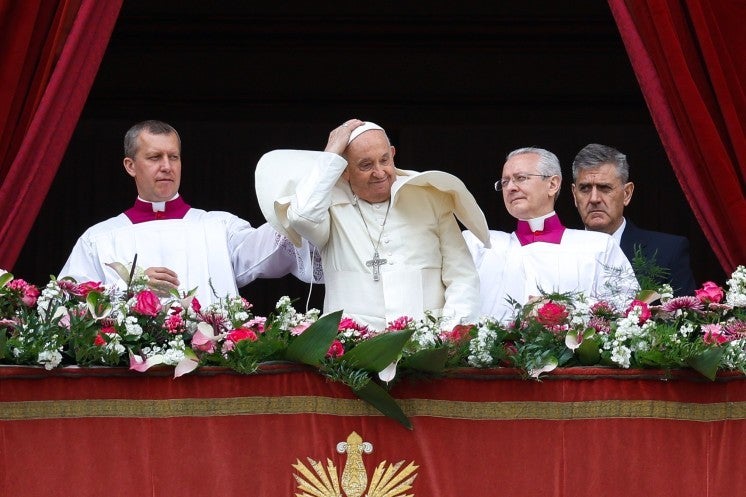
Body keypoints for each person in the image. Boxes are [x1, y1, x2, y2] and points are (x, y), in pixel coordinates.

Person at [255, 119, 490, 330]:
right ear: (345, 171)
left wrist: (451, 331)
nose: (379, 172)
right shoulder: (329, 207)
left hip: (425, 347)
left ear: (393, 154)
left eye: (384, 160)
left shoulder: (430, 198)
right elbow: (301, 217)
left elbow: (461, 275)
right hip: (354, 356)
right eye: (366, 165)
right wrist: (330, 154)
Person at [60, 120, 320, 305]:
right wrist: (129, 286)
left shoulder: (219, 227)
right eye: (154, 157)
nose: (166, 166)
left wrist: (308, 199)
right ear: (130, 166)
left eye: (173, 157)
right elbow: (66, 302)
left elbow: (271, 249)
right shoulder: (100, 238)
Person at [463, 147, 638, 322]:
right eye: (504, 182)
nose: (510, 188)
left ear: (553, 184)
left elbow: (626, 312)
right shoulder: (482, 244)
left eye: (520, 178)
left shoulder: (599, 246)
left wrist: (564, 309)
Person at [571, 143, 696, 296]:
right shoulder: (556, 253)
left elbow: (683, 316)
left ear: (627, 193)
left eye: (605, 188)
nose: (594, 198)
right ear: (574, 195)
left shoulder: (668, 252)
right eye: (585, 188)